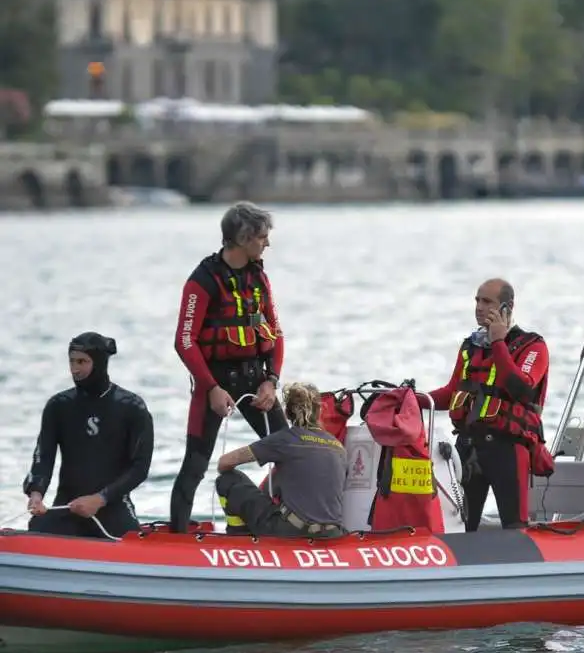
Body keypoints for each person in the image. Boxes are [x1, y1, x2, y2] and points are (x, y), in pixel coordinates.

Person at [170, 201, 289, 533]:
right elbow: (184, 340)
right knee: (194, 464)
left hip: (256, 379)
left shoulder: (258, 276)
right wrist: (211, 388)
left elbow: (275, 332)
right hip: (215, 382)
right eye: (263, 236)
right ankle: (177, 535)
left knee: (289, 452)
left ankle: (290, 525)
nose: (267, 243)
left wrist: (271, 381)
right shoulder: (202, 280)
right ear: (244, 237)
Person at [420, 278, 552, 531]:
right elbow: (451, 392)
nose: (479, 307)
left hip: (508, 450)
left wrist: (498, 342)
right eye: (477, 300)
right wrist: (412, 399)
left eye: (487, 302)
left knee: (514, 526)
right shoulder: (471, 346)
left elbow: (521, 388)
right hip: (468, 448)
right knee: (460, 525)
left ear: (507, 307)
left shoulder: (533, 346)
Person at [23, 332, 154, 539]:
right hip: (67, 506)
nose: (74, 369)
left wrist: (99, 499)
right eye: (72, 361)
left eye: (82, 362)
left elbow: (140, 469)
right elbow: (43, 457)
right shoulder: (58, 406)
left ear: (100, 363)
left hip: (113, 507)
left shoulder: (131, 407)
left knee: (134, 547)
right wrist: (36, 494)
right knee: (34, 532)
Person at [215, 382, 347, 537]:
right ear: (319, 411)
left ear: (286, 413)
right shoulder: (338, 446)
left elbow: (225, 462)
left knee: (228, 480)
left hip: (293, 531)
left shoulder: (285, 439)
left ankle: (239, 537)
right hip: (332, 534)